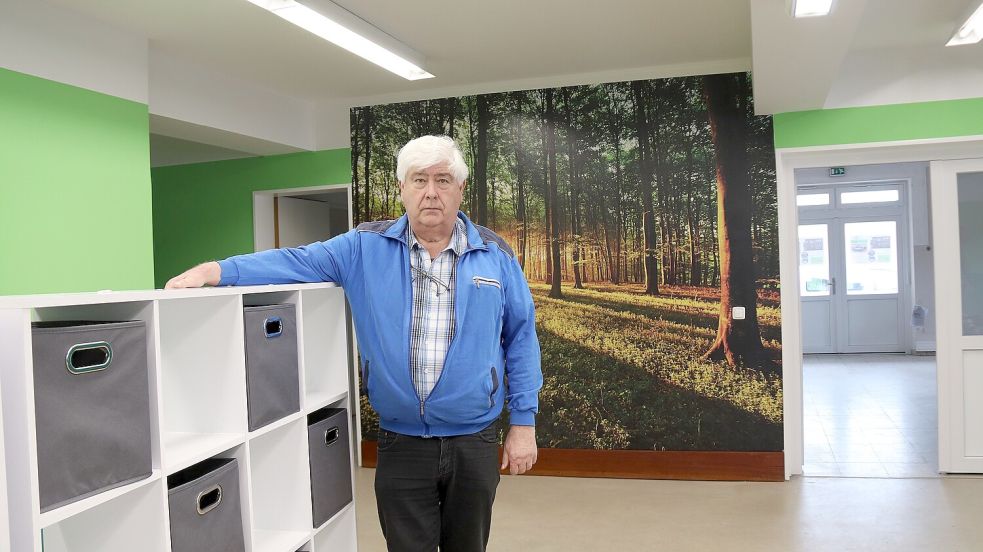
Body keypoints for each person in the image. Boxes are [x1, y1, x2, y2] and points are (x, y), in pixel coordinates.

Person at [166, 135, 543, 552]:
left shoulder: (496, 255)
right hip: (401, 441)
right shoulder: (364, 247)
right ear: (402, 189)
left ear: (460, 189)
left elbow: (521, 337)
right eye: (419, 180)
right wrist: (215, 270)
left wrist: (523, 423)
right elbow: (295, 261)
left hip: (475, 438)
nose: (431, 192)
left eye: (442, 180)